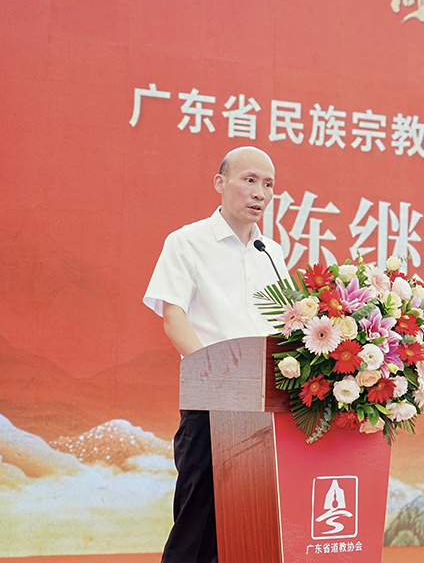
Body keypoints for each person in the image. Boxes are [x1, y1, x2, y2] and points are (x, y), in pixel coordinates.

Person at [142, 146, 287, 563]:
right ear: (220, 183)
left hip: (263, 409)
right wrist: (219, 378)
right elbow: (174, 319)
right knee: (197, 532)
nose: (259, 192)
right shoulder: (187, 242)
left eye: (268, 184)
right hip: (211, 408)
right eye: (249, 180)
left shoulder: (271, 253)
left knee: (250, 534)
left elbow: (286, 325)